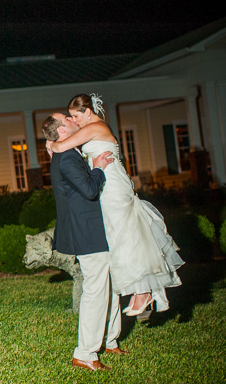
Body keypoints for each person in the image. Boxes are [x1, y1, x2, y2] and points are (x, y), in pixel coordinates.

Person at [48, 93, 183, 316]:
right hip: (107, 183)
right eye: (70, 117)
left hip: (113, 185)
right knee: (122, 235)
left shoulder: (93, 127)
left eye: (75, 115)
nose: (74, 120)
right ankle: (141, 292)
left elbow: (62, 148)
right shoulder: (92, 129)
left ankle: (143, 292)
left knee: (126, 233)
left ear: (87, 112)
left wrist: (51, 143)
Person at [42, 112, 123, 371]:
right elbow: (89, 190)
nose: (72, 118)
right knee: (95, 291)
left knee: (108, 285)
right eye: (67, 118)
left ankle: (110, 341)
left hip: (91, 229)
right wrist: (98, 167)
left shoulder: (66, 152)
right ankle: (85, 354)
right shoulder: (65, 158)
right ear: (63, 130)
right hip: (86, 232)